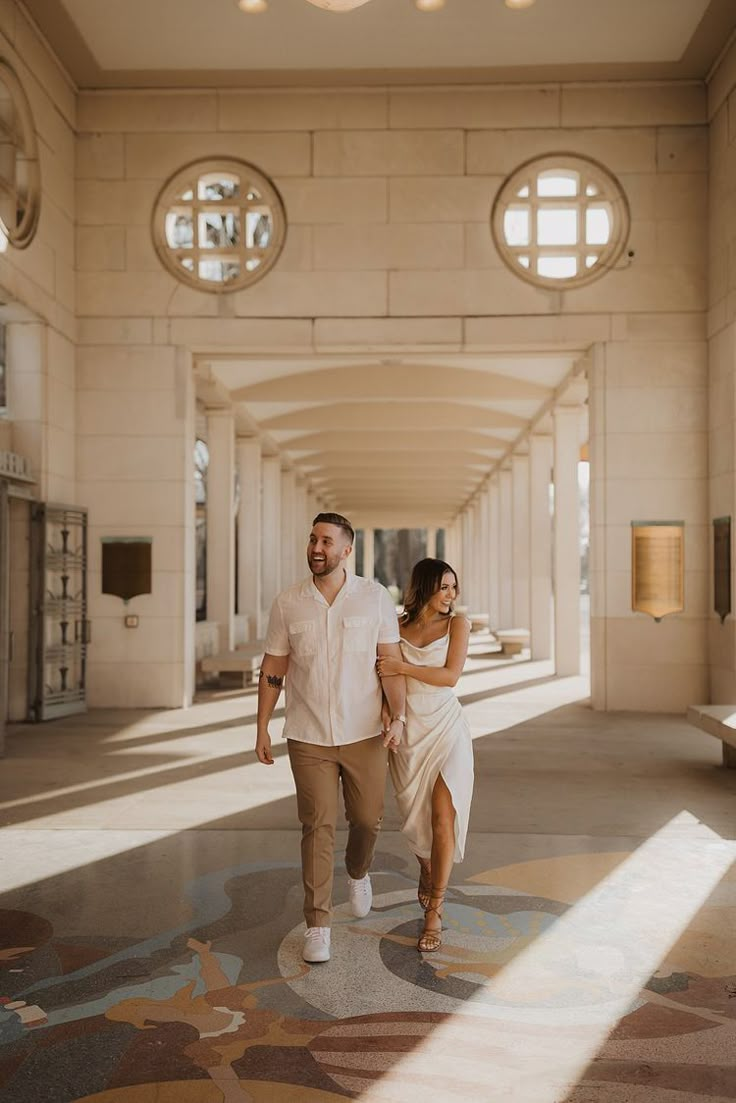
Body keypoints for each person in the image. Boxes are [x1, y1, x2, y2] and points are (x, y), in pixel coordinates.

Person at [255, 512, 406, 965]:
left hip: (365, 732)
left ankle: (358, 871)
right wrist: (261, 724)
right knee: (316, 826)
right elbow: (274, 668)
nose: (316, 548)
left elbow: (390, 661)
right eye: (312, 540)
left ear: (346, 550)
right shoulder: (288, 603)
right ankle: (318, 924)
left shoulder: (374, 598)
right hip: (308, 734)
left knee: (366, 820)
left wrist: (397, 715)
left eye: (326, 541)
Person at [376, 558, 473, 954]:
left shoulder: (458, 625)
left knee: (442, 814)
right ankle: (427, 867)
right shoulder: (395, 628)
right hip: (410, 728)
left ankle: (436, 908)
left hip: (447, 727)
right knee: (416, 818)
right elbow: (385, 676)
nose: (451, 595)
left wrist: (401, 664)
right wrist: (390, 717)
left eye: (454, 587)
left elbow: (450, 676)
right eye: (444, 587)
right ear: (425, 587)